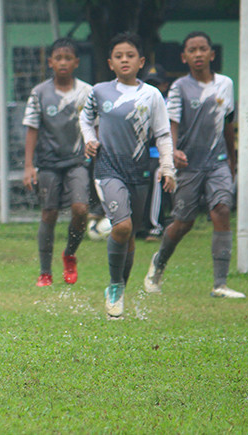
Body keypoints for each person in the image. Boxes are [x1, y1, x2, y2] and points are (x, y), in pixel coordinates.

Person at [80, 31, 176, 320]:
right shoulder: (98, 92)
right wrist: (88, 139)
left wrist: (168, 168)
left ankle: (121, 287)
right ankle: (114, 286)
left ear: (141, 61)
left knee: (130, 233)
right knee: (121, 227)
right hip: (108, 168)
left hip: (140, 170)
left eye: (130, 56)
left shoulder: (152, 95)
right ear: (110, 62)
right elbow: (85, 118)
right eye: (119, 56)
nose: (124, 60)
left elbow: (162, 133)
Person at [143, 31, 245, 299]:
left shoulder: (225, 84)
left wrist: (232, 161)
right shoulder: (179, 88)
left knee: (221, 210)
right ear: (184, 57)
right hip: (189, 164)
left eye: (203, 49)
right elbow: (171, 124)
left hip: (218, 162)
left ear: (212, 54)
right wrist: (173, 151)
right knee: (183, 222)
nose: (198, 54)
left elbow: (228, 124)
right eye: (192, 50)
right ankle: (158, 263)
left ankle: (220, 284)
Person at [22, 37, 93, 287]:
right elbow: (32, 128)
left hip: (77, 161)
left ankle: (70, 254)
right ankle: (45, 272)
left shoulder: (87, 92)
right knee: (49, 212)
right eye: (58, 58)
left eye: (68, 58)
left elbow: (94, 126)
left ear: (76, 62)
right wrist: (29, 165)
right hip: (49, 163)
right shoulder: (39, 93)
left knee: (80, 209)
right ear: (50, 62)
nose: (63, 62)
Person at [141, 65, 171, 241]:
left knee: (156, 173)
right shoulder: (140, 104)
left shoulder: (169, 105)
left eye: (157, 85)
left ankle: (155, 226)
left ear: (165, 86)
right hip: (141, 154)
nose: (153, 89)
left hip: (159, 154)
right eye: (149, 84)